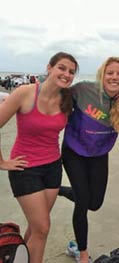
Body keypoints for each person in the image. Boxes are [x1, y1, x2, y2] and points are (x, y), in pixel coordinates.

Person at [0, 52, 78, 263]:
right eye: (62, 68)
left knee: (36, 229)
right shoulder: (24, 93)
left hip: (52, 167)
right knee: (43, 228)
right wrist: (2, 162)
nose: (66, 74)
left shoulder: (67, 99)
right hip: (25, 169)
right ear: (49, 67)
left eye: (71, 71)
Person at [58, 57, 119, 263]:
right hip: (74, 151)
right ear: (101, 75)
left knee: (94, 203)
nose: (114, 77)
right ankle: (82, 252)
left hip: (99, 154)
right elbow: (55, 93)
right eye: (110, 73)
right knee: (82, 203)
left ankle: (59, 190)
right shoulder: (83, 90)